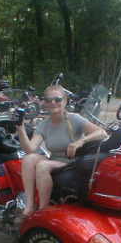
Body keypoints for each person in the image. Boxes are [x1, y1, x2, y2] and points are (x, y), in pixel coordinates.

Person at [16, 84, 107, 216]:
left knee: (42, 165)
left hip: (73, 162)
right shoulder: (44, 124)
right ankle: (29, 206)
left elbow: (102, 133)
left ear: (65, 101)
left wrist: (80, 141)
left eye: (57, 99)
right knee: (28, 159)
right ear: (44, 103)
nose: (53, 103)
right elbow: (30, 149)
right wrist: (20, 128)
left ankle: (43, 210)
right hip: (54, 160)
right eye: (48, 100)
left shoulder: (74, 118)